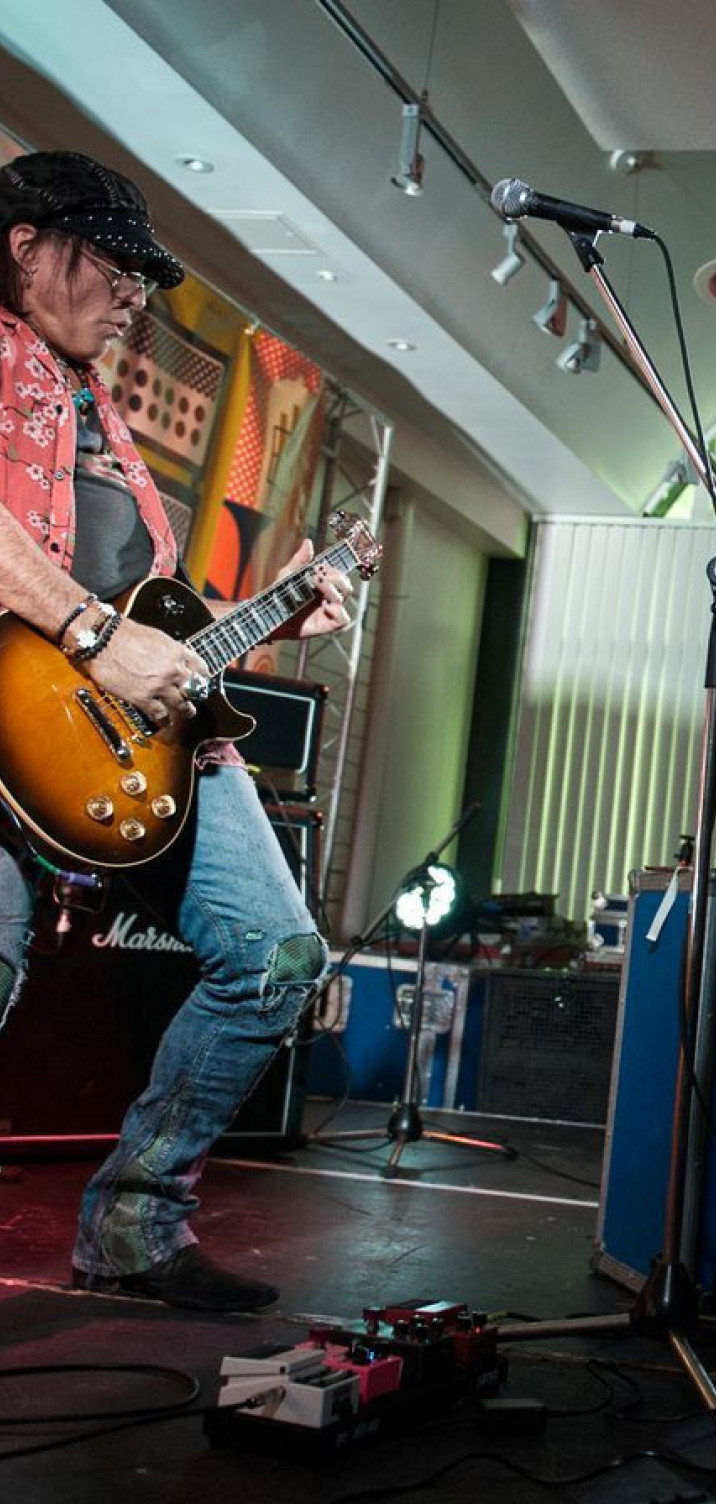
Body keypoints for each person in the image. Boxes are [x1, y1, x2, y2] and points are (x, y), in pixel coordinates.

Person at [0, 150, 352, 1311]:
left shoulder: (100, 404)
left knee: (277, 956)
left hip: (128, 741)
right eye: (115, 264)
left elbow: (158, 632)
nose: (134, 296)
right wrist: (95, 635)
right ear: (25, 241)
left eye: (147, 280)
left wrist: (272, 618)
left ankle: (138, 1231)